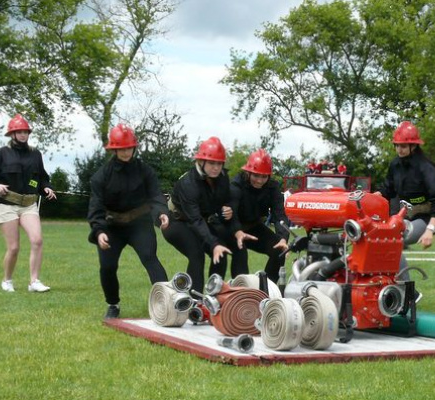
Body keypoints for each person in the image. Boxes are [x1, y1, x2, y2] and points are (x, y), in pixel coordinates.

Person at [87, 123, 169, 318]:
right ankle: (113, 304)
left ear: (134, 147)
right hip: (111, 227)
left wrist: (161, 213)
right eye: (121, 148)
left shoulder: (145, 171)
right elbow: (96, 207)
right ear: (114, 150)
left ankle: (167, 302)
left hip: (139, 224)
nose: (126, 152)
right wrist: (99, 231)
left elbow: (155, 195)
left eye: (129, 148)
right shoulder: (101, 177)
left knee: (150, 258)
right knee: (108, 267)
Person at [162, 137, 255, 294]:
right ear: (200, 162)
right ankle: (194, 301)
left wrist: (235, 227)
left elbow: (226, 205)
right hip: (177, 222)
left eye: (219, 163)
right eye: (212, 163)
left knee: (221, 253)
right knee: (197, 254)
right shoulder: (188, 184)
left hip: (203, 220)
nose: (216, 168)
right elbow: (195, 220)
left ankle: (215, 296)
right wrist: (213, 244)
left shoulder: (223, 178)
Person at [0, 114, 57, 293]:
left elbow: (41, 178)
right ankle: (7, 280)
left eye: (25, 132)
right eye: (19, 132)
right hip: (6, 204)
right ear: (12, 134)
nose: (23, 135)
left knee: (37, 240)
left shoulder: (35, 154)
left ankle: (34, 282)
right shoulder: (1, 154)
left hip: (29, 205)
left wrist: (46, 188)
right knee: (14, 247)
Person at [378, 121, 435, 288]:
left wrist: (430, 230)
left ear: (414, 146)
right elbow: (386, 190)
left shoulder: (425, 168)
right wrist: (368, 197)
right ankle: (399, 289)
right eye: (397, 145)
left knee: (393, 238)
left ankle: (406, 290)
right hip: (404, 217)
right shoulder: (395, 165)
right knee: (383, 240)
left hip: (426, 219)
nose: (399, 149)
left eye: (403, 146)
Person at [229, 149, 290, 282]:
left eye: (264, 176)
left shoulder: (272, 188)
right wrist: (238, 232)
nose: (259, 180)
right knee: (240, 252)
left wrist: (283, 238)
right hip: (233, 228)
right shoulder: (236, 185)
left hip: (254, 227)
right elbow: (231, 214)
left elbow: (279, 215)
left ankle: (267, 288)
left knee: (279, 249)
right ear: (248, 172)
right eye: (256, 175)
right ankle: (241, 290)